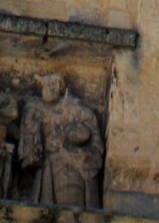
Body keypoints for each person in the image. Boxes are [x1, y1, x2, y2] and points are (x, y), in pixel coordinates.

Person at [17, 74, 104, 207]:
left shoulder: (75, 108)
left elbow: (89, 132)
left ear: (61, 87)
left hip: (76, 165)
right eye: (46, 84)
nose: (50, 87)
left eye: (54, 83)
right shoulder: (34, 108)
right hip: (50, 166)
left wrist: (70, 133)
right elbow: (29, 151)